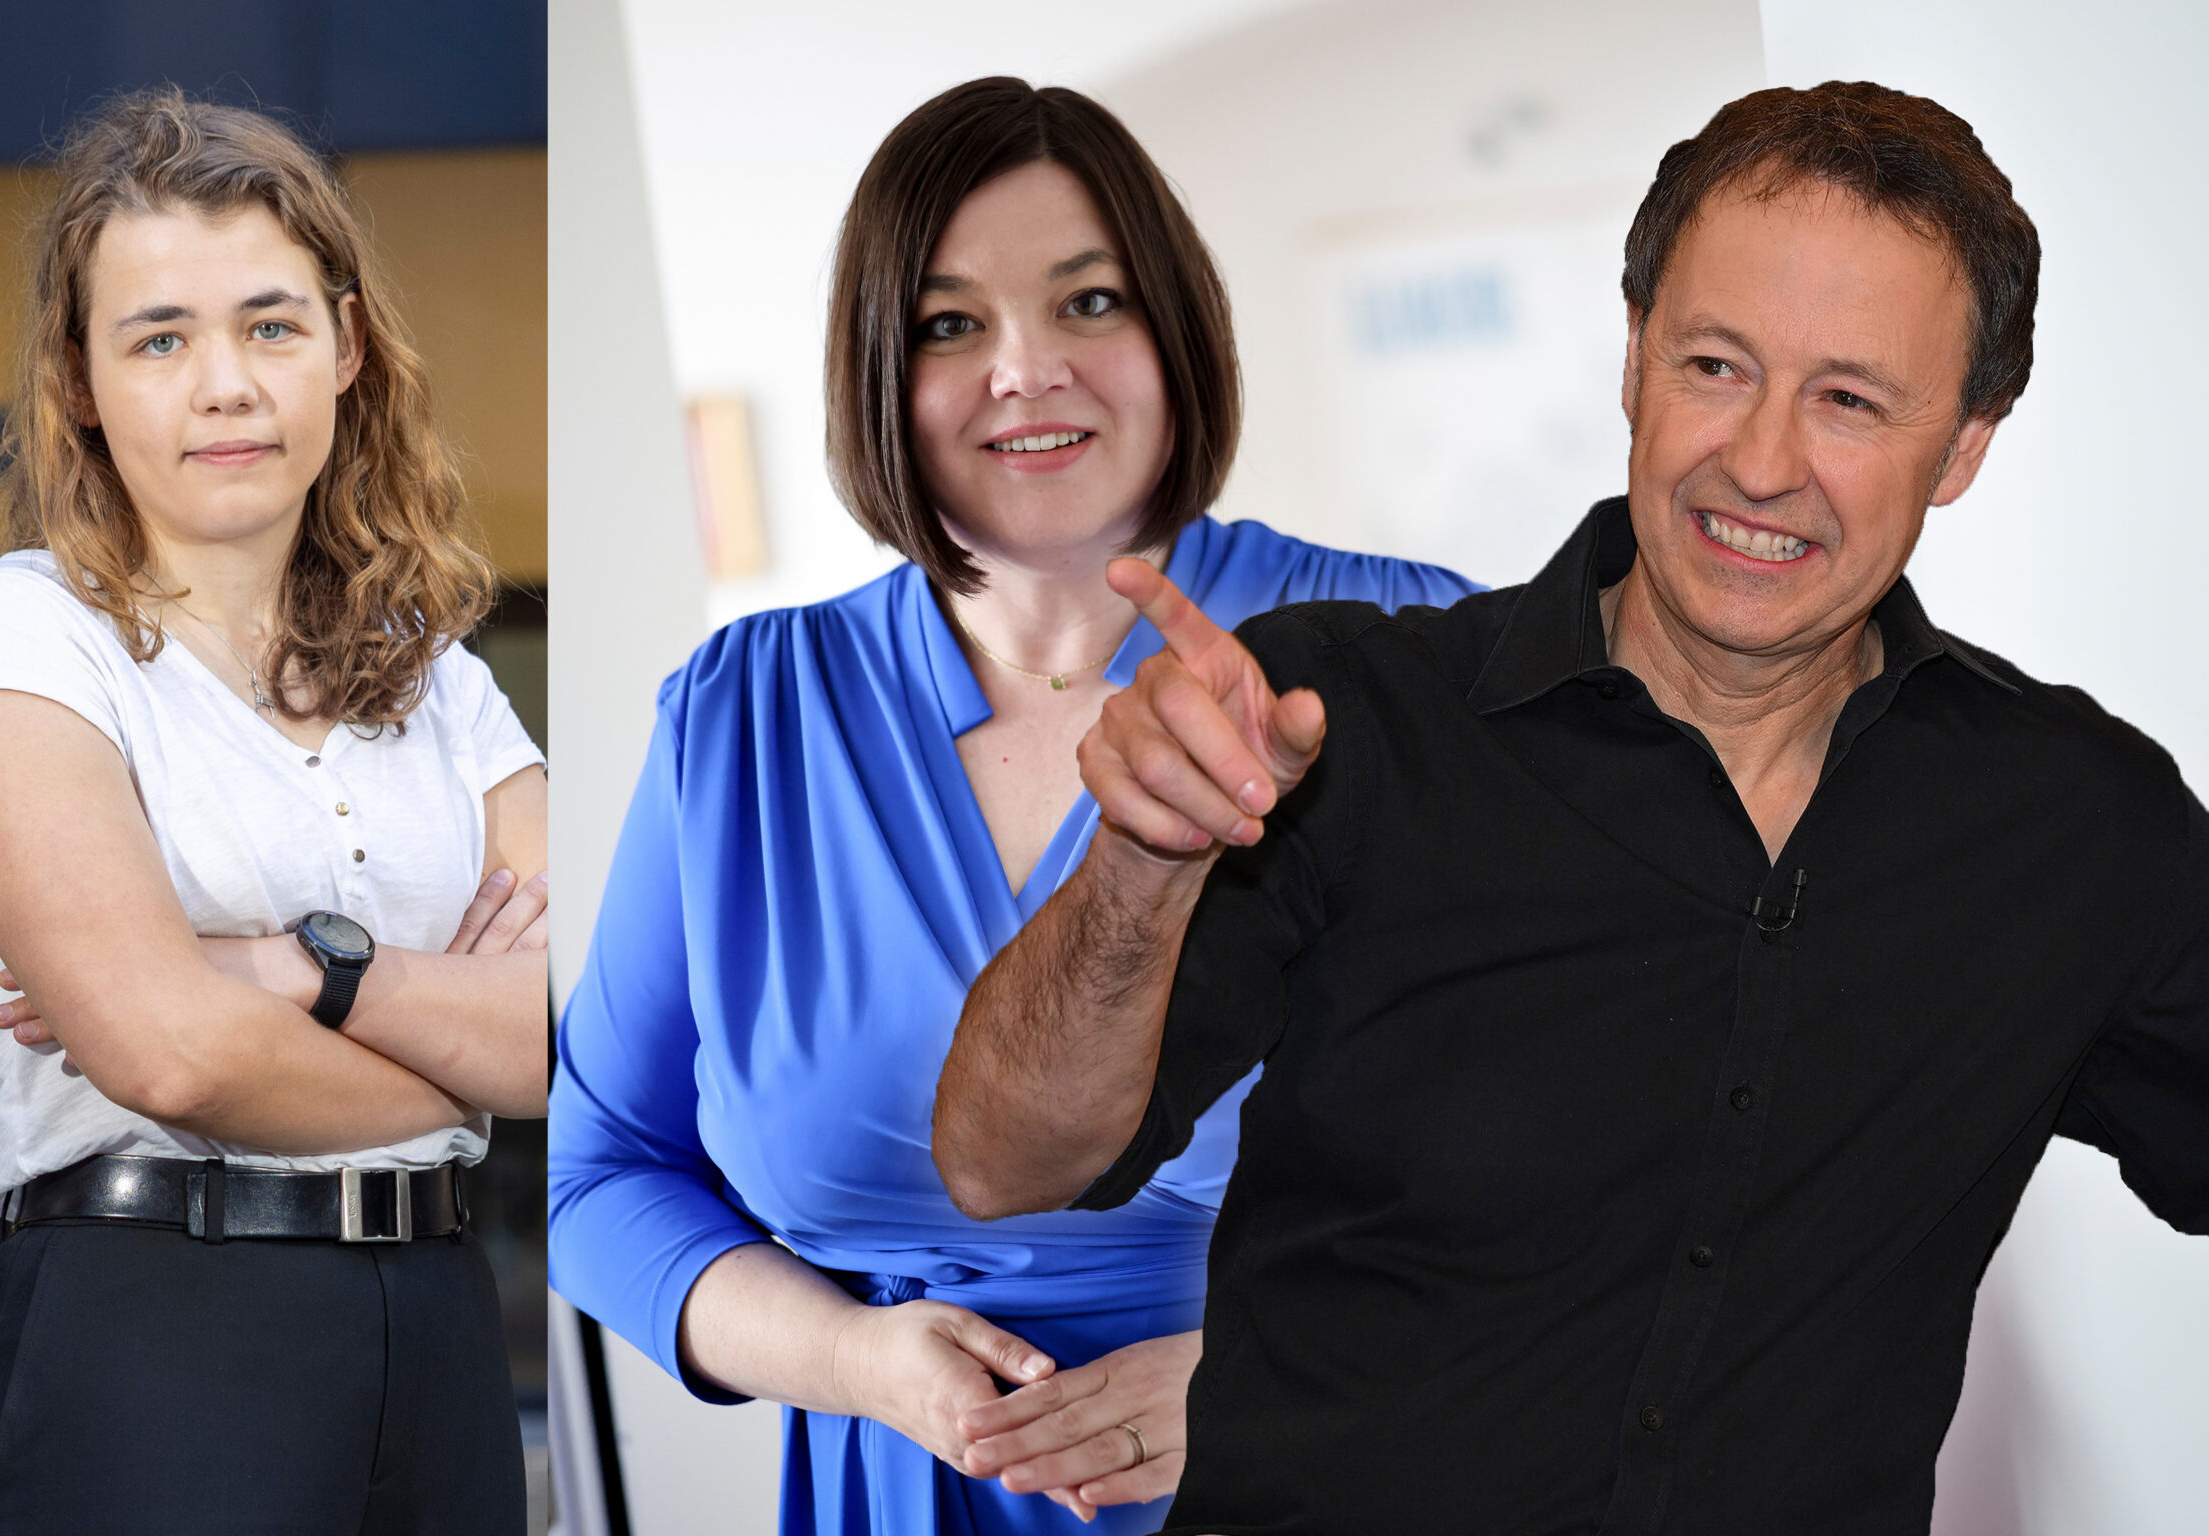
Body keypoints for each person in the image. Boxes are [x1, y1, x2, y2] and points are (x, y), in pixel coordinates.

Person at [934, 79, 2209, 1535]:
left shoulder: (2072, 823)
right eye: (1716, 366)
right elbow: (1000, 1159)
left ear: (1965, 447)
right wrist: (1141, 869)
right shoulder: (1339, 723)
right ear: (1633, 362)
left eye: (1849, 400)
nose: (1762, 461)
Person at [547, 77, 1473, 1534]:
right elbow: (598, 1179)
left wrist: (1279, 1371)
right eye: (948, 323)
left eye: (1090, 303)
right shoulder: (744, 716)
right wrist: (857, 1360)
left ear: (1177, 330)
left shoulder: (1423, 660)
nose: (1026, 369)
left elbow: (1650, 1162)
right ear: (877, 370)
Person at [0, 91, 546, 1534]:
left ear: (347, 350)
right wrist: (464, 1061)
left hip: (436, 1322)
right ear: (83, 382)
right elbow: (165, 1056)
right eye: (160, 338)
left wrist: (300, 970)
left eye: (271, 325)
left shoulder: (440, 679)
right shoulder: (10, 646)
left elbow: (585, 1029)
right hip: (155, 1322)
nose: (225, 384)